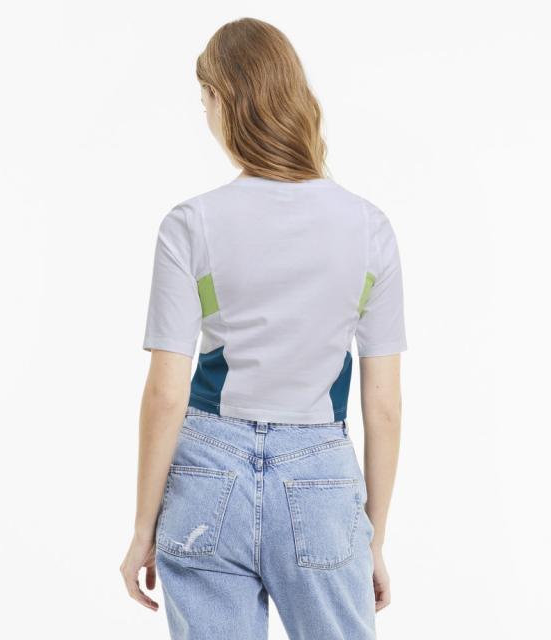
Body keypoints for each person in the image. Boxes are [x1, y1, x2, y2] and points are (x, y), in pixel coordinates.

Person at [120, 17, 407, 640]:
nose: (205, 114)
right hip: (320, 475)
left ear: (222, 98)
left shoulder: (190, 224)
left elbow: (166, 391)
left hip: (207, 473)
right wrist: (373, 538)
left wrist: (143, 527)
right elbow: (382, 403)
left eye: (205, 100)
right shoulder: (369, 229)